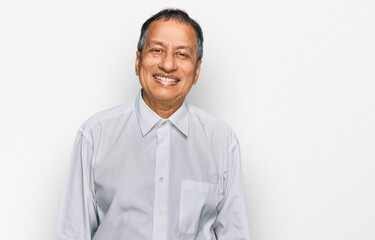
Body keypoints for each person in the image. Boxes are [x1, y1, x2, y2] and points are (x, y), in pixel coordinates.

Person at [57, 8, 251, 240]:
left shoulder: (221, 140)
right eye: (157, 50)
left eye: (182, 54)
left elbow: (235, 233)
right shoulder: (94, 135)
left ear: (197, 70)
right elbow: (72, 233)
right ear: (138, 61)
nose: (168, 65)